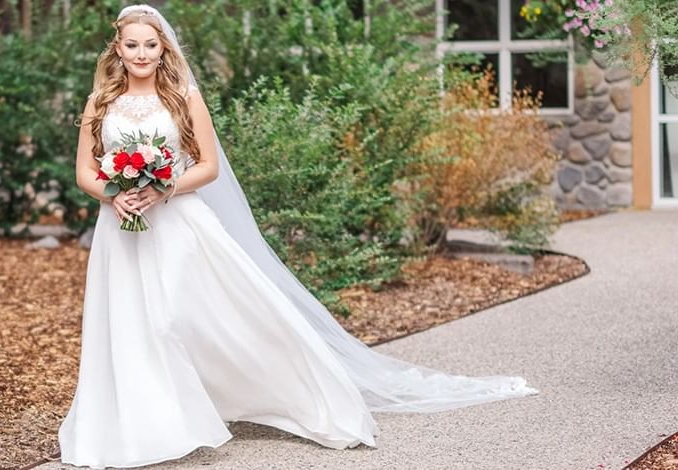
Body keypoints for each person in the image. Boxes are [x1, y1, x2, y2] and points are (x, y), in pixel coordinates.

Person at [59, 4, 537, 469]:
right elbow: (84, 172)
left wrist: (161, 188)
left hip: (177, 222)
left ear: (163, 48)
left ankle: (292, 392)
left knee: (182, 318)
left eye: (150, 45)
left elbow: (207, 166)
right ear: (117, 49)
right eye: (132, 45)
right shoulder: (100, 102)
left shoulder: (184, 96)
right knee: (131, 322)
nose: (141, 54)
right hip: (121, 228)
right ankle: (155, 425)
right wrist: (115, 195)